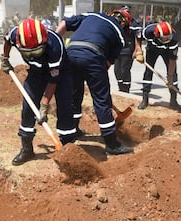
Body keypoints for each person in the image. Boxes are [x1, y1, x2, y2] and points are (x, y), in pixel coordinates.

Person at [55, 10, 133, 155]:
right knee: (101, 100)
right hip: (94, 57)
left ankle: (73, 131)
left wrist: (53, 43)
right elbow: (107, 64)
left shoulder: (90, 15)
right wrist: (95, 80)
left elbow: (64, 23)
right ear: (123, 23)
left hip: (70, 53)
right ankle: (111, 144)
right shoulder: (120, 34)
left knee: (74, 96)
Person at [1, 18, 77, 165]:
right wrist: (5, 58)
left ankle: (68, 148)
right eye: (28, 54)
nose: (32, 56)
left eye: (36, 52)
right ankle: (27, 149)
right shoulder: (15, 35)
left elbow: (53, 79)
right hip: (36, 72)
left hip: (61, 73)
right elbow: (7, 42)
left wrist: (44, 104)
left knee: (65, 106)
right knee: (28, 107)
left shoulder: (55, 44)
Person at [137, 21, 181, 111]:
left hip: (167, 52)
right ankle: (145, 99)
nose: (167, 39)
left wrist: (170, 76)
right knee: (148, 72)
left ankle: (173, 101)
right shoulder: (148, 31)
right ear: (156, 34)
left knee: (173, 75)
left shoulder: (174, 39)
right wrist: (138, 50)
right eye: (164, 38)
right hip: (152, 50)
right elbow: (138, 37)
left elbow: (173, 60)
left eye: (169, 37)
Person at [113, 5, 144, 93]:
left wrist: (137, 50)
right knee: (117, 71)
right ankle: (120, 87)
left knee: (125, 70)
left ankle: (126, 89)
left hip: (128, 51)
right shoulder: (117, 22)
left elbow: (138, 38)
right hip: (117, 50)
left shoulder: (134, 24)